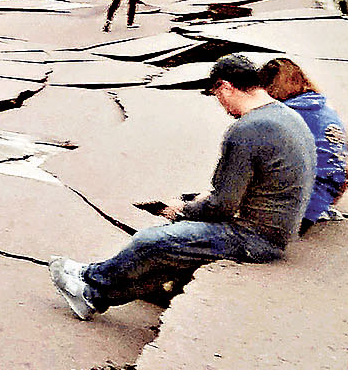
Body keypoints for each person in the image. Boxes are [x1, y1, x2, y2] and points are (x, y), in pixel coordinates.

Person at [49, 54, 315, 320]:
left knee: (152, 242)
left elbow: (222, 207)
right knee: (168, 251)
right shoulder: (288, 116)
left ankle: (89, 283)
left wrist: (181, 209)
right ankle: (92, 293)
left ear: (225, 86)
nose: (221, 105)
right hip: (278, 231)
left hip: (254, 238)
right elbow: (260, 184)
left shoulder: (247, 129)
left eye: (217, 95)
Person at [259, 57, 348, 233]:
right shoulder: (324, 107)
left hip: (296, 208)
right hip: (327, 193)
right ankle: (320, 207)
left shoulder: (287, 113)